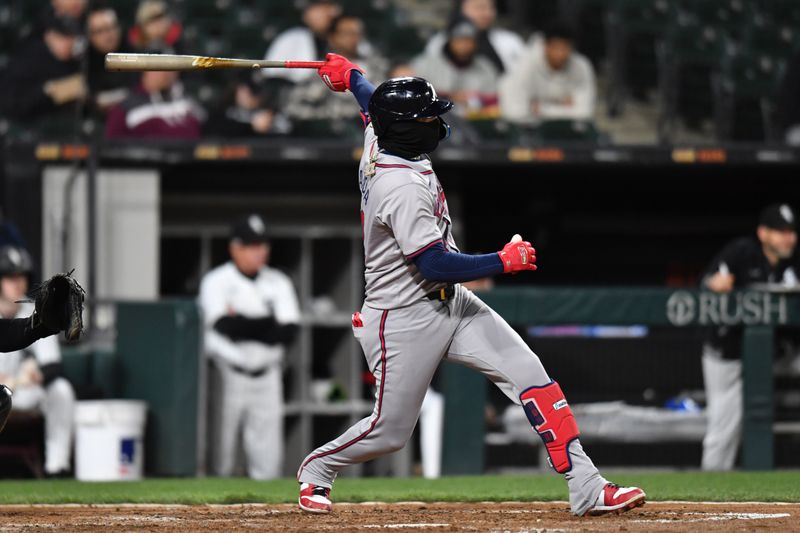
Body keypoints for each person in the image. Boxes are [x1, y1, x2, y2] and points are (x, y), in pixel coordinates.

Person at [296, 53, 646, 516]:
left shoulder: (383, 138)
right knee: (390, 432)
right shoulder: (398, 187)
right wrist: (503, 260)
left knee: (531, 376)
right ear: (406, 128)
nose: (436, 121)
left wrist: (353, 77)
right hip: (402, 317)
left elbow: (372, 107)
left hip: (453, 307)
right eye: (427, 116)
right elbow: (436, 264)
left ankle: (587, 486)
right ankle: (317, 469)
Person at [199, 214, 300, 479]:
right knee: (221, 456)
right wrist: (268, 323)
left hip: (268, 375)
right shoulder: (216, 281)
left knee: (269, 461)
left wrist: (242, 322)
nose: (260, 252)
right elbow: (222, 325)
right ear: (235, 247)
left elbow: (288, 331)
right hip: (227, 374)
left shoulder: (278, 281)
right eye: (252, 245)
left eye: (263, 244)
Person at [700, 203, 798, 471]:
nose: (788, 237)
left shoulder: (792, 264)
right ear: (763, 233)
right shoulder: (742, 252)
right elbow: (706, 283)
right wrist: (713, 284)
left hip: (775, 354)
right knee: (723, 425)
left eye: (791, 231)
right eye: (781, 231)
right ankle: (711, 491)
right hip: (727, 354)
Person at [0, 245, 76, 476]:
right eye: (10, 277)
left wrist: (41, 325)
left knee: (60, 390)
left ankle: (57, 467)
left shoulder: (36, 310)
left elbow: (53, 365)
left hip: (23, 390)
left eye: (21, 276)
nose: (17, 283)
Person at [284, 13, 388, 122]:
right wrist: (327, 118)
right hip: (333, 132)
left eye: (357, 33)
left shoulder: (376, 67)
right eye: (347, 33)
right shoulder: (323, 70)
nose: (354, 38)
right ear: (332, 38)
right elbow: (293, 107)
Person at [0, 14, 86, 132]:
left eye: (72, 38)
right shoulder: (27, 60)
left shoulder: (76, 62)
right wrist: (46, 90)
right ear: (48, 36)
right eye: (63, 37)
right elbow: (11, 105)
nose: (69, 43)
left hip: (64, 128)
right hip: (25, 128)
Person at [499, 23, 596, 124]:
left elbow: (584, 113)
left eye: (565, 48)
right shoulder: (525, 64)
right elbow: (514, 113)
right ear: (545, 46)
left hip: (567, 131)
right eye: (556, 48)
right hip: (529, 132)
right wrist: (563, 107)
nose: (560, 54)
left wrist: (541, 108)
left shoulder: (581, 66)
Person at [412, 16, 499, 115]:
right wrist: (450, 97)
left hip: (475, 122)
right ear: (449, 40)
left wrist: (473, 99)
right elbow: (414, 97)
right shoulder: (425, 64)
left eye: (469, 40)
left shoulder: (486, 67)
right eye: (459, 39)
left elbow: (494, 102)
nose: (464, 45)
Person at [424, 0, 525, 75]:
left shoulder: (511, 41)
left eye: (491, 8)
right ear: (460, 9)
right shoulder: (441, 42)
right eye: (479, 8)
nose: (487, 13)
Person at [105, 69, 205, 139]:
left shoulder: (189, 102)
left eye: (172, 67)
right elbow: (113, 147)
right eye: (159, 67)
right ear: (145, 71)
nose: (166, 73)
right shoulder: (125, 107)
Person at [261, 0, 341, 84]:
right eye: (322, 8)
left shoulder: (347, 40)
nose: (332, 12)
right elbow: (271, 79)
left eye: (328, 7)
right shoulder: (291, 39)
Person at [86, 3, 134, 114]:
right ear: (90, 36)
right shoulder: (84, 64)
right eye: (100, 31)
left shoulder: (133, 53)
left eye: (112, 27)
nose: (108, 35)